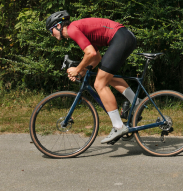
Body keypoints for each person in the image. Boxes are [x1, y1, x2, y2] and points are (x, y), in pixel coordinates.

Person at [47, 11, 141, 143]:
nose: (51, 34)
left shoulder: (73, 29)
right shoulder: (78, 29)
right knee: (106, 76)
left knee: (99, 84)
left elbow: (89, 53)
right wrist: (83, 71)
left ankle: (118, 126)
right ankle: (137, 103)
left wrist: (77, 69)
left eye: (51, 31)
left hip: (121, 38)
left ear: (58, 26)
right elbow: (96, 57)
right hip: (124, 37)